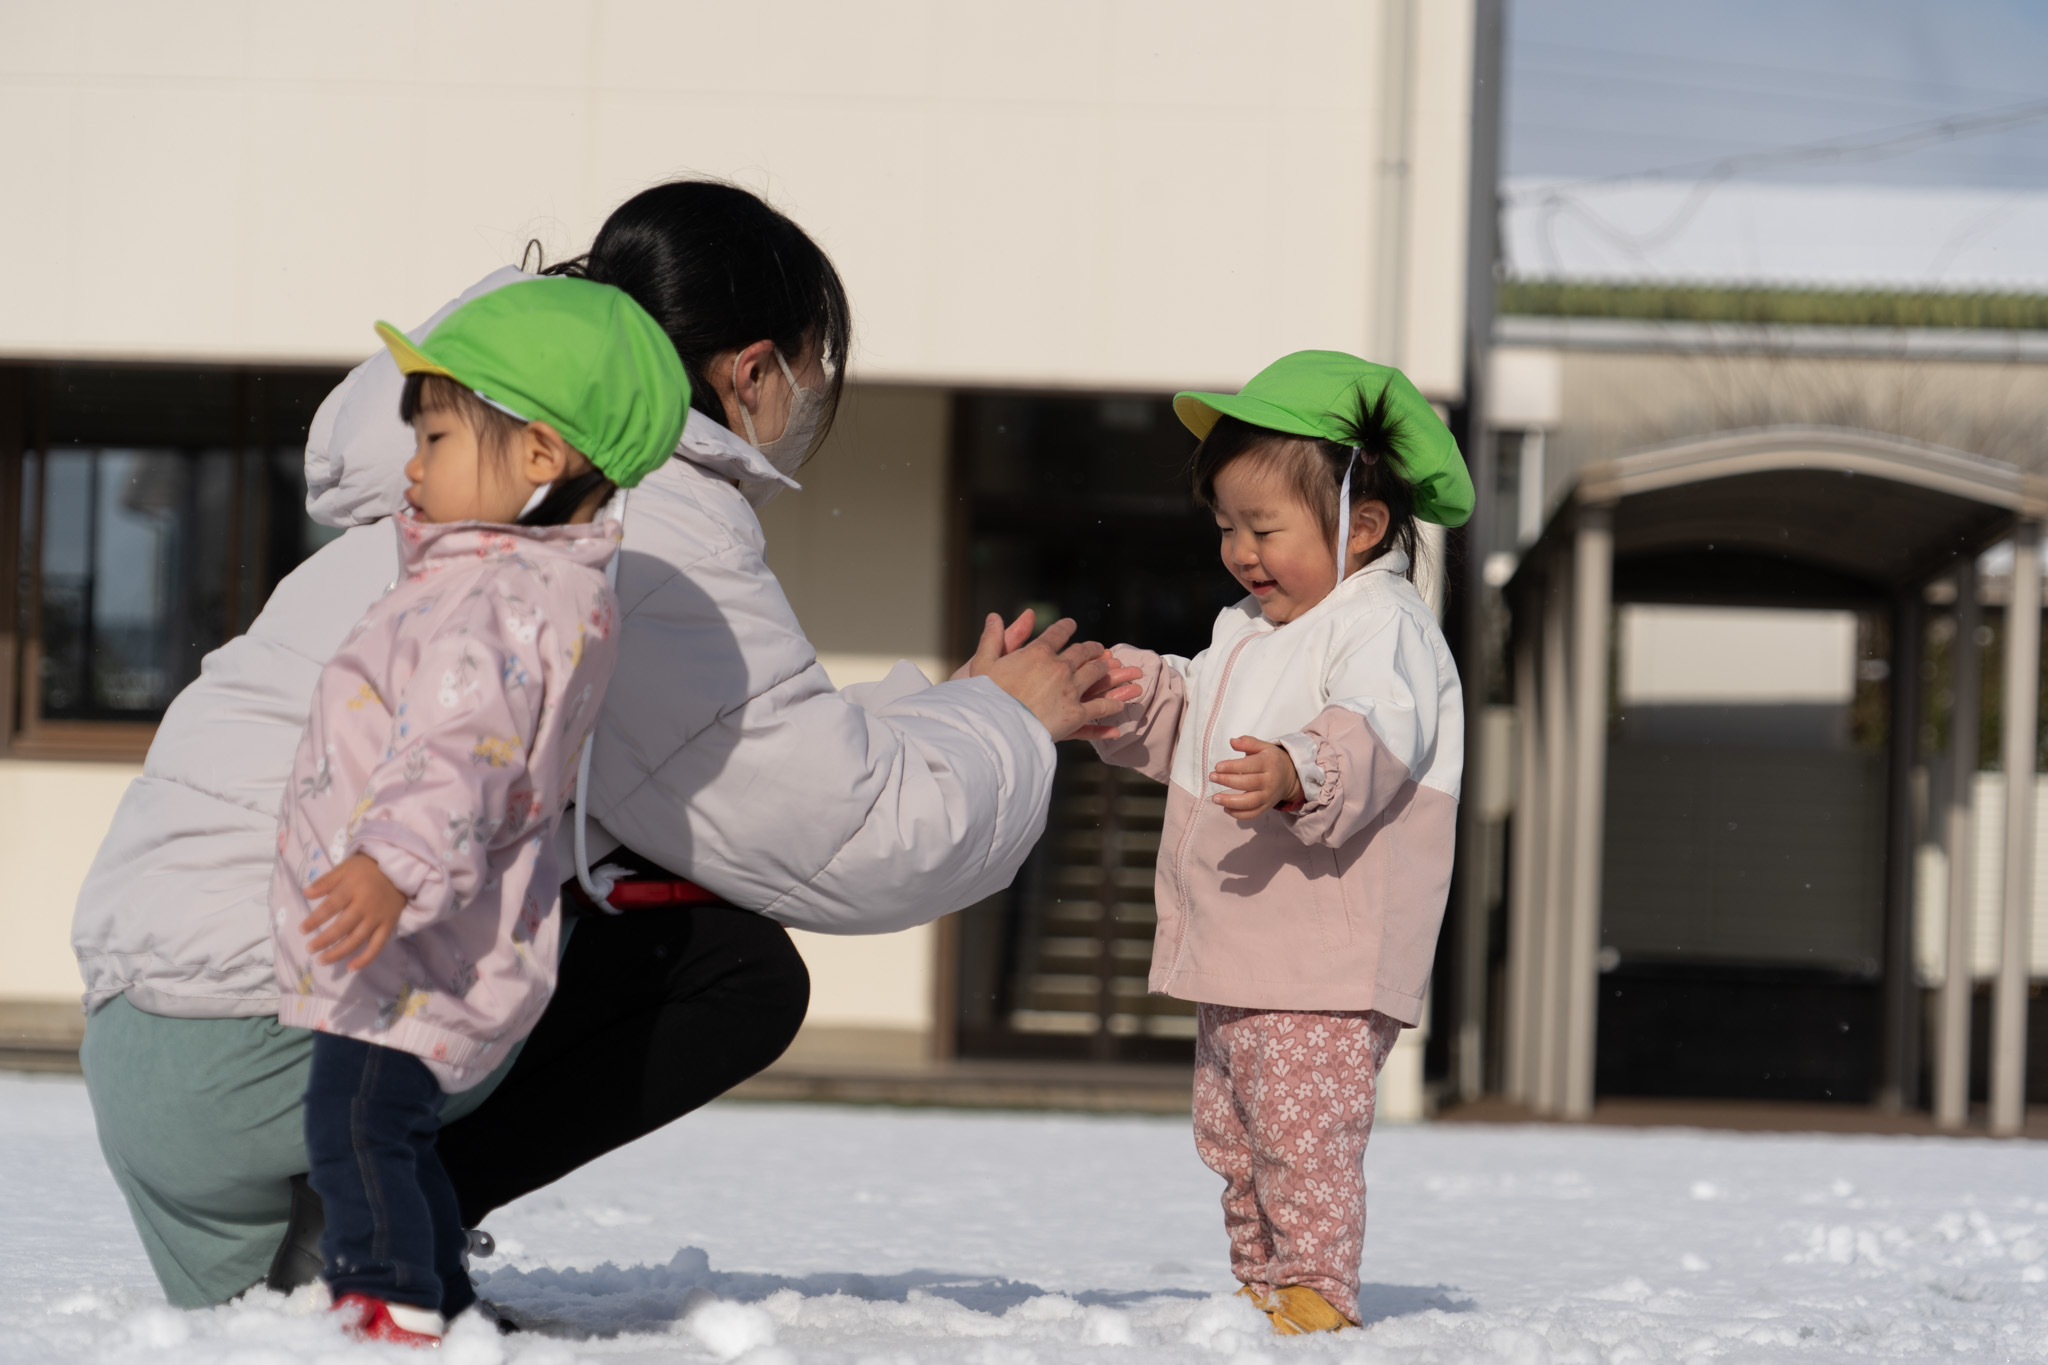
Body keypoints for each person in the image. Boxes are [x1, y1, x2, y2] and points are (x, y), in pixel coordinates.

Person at [72, 180, 1136, 1310]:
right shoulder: (627, 517)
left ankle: (359, 1230)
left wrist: (950, 710)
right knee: (730, 969)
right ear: (754, 369)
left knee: (603, 881)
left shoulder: (456, 499)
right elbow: (844, 834)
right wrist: (1012, 721)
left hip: (150, 1052)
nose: (804, 401)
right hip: (284, 1046)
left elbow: (723, 757)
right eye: (809, 373)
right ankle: (377, 1223)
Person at [275, 277, 686, 1345]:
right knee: (388, 1130)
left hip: (420, 932)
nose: (413, 464)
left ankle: (388, 1301)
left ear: (542, 458)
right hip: (426, 928)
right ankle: (439, 1306)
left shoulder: (498, 599)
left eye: (439, 435)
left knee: (359, 1124)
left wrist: (390, 866)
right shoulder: (514, 582)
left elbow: (459, 755)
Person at [1086, 351, 1472, 1336]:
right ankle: (1260, 1284)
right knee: (1232, 1135)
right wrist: (1113, 691)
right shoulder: (1249, 631)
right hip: (1245, 948)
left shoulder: (1379, 625)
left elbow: (1373, 731)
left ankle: (1311, 1294)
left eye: (1263, 528)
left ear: (1363, 527)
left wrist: (1302, 772)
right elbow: (1190, 720)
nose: (1240, 551)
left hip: (1324, 959)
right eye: (1225, 526)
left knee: (1301, 1139)